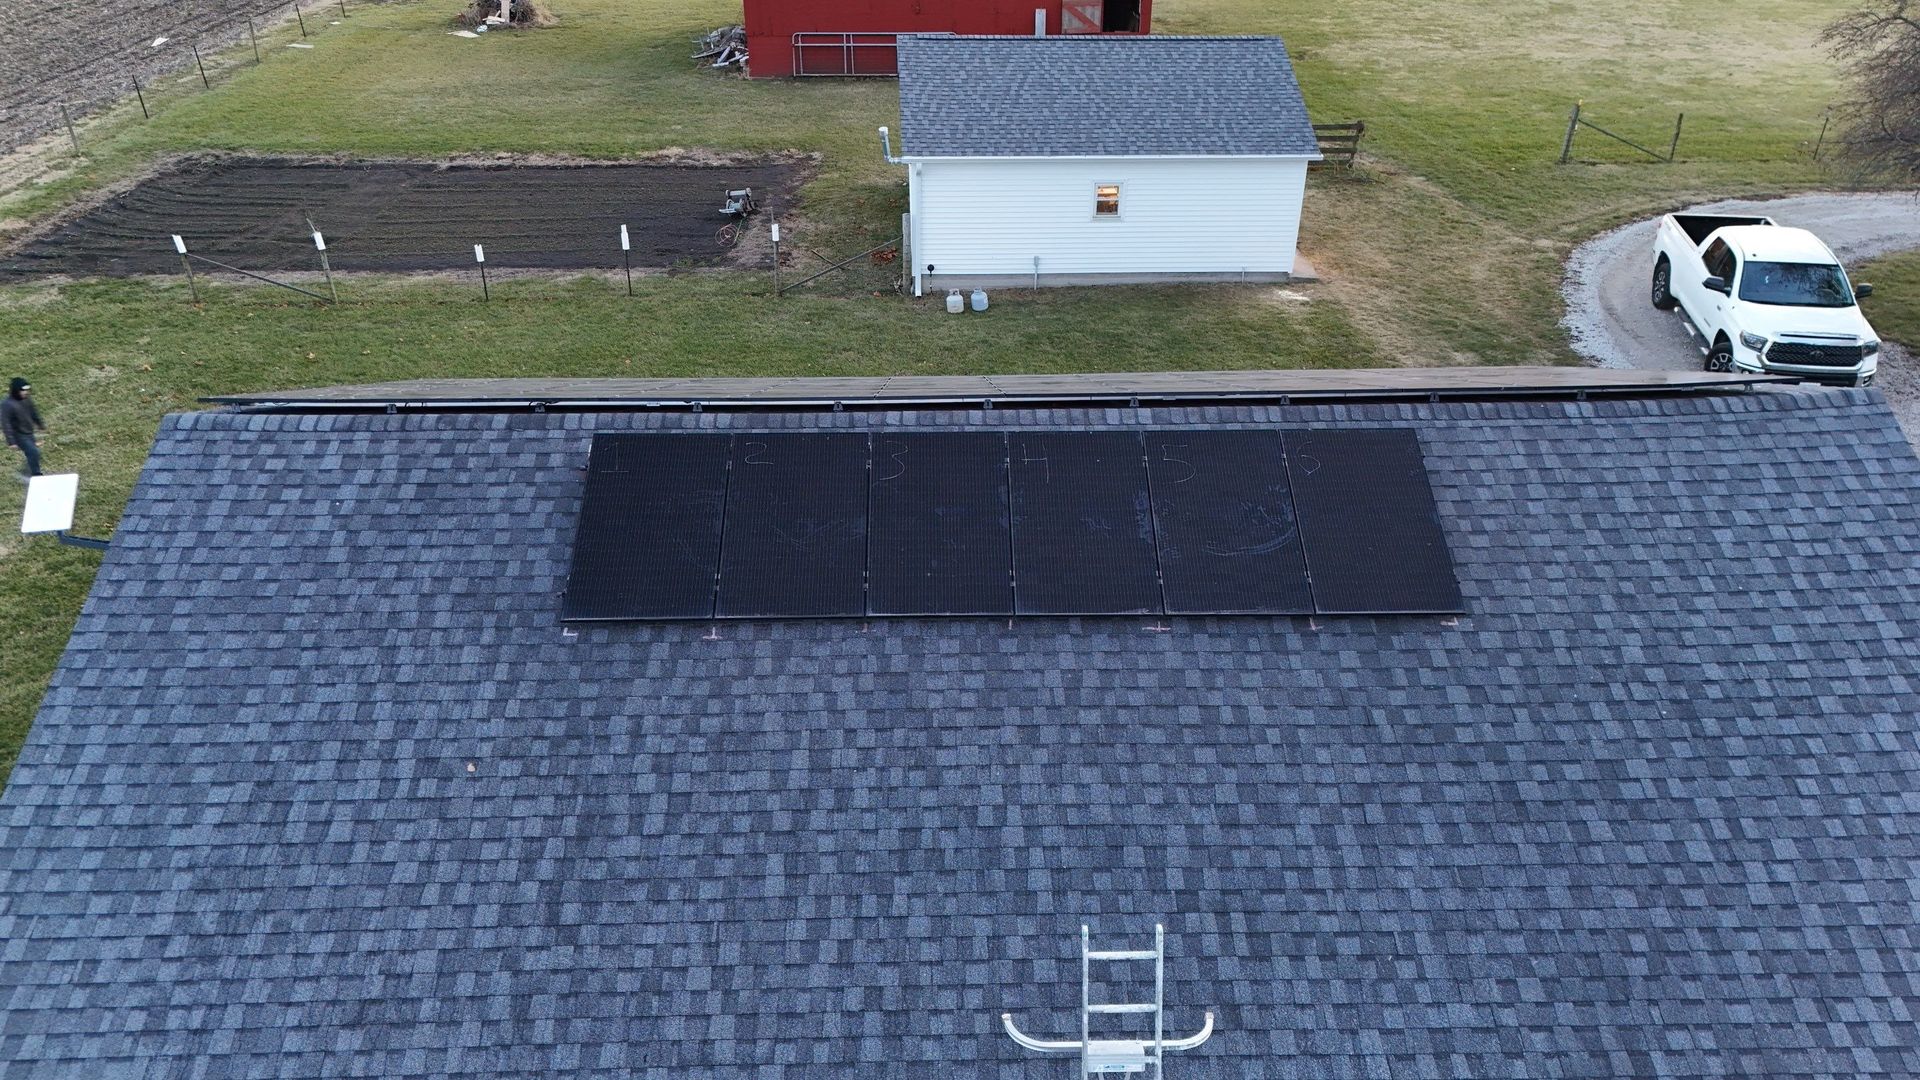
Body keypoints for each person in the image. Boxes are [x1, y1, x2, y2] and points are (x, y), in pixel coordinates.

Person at [3, 378, 46, 480]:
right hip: (19, 435)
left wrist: (40, 424)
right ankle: (36, 475)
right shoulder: (6, 405)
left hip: (28, 432)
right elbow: (6, 424)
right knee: (33, 452)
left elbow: (33, 412)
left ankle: (25, 472)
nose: (25, 392)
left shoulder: (27, 400)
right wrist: (11, 441)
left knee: (33, 453)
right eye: (23, 390)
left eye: (26, 390)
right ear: (16, 391)